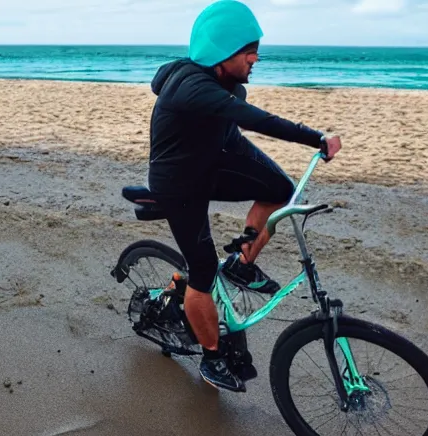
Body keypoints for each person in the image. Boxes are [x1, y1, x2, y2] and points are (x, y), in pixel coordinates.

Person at [147, 0, 342, 392]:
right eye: (248, 50)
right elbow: (258, 120)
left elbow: (231, 123)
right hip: (180, 182)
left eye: (257, 48)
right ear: (221, 51)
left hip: (216, 156)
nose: (256, 57)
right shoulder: (193, 86)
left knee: (280, 190)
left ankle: (240, 264)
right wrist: (316, 137)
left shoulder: (225, 82)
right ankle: (212, 357)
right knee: (202, 273)